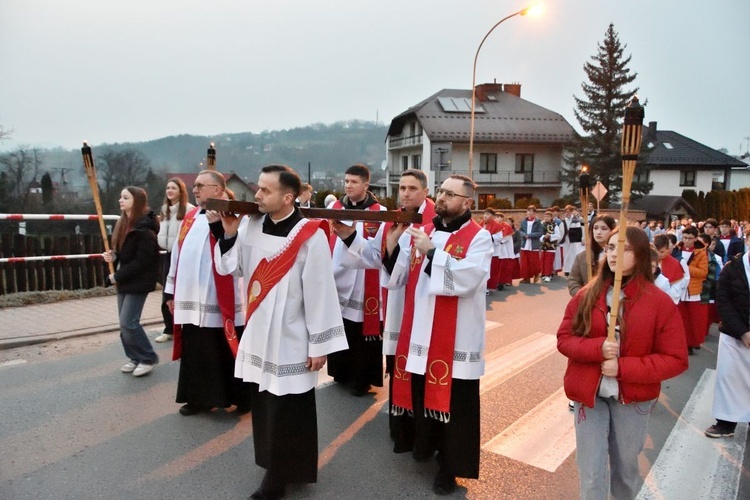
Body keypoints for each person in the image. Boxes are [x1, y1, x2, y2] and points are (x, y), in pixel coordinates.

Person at [216, 165, 347, 500]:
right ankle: (278, 466)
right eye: (257, 188)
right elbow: (233, 269)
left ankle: (278, 479)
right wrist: (229, 235)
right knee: (265, 406)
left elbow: (320, 292)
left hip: (292, 337)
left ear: (287, 197)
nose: (256, 195)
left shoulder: (310, 234)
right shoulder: (251, 225)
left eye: (265, 190)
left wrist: (320, 344)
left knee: (289, 410)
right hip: (260, 331)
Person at [557, 227, 688, 500]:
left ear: (640, 255)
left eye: (625, 248)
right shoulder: (587, 295)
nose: (615, 253)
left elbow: (675, 359)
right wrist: (596, 349)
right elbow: (565, 339)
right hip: (589, 396)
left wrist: (624, 368)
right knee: (591, 473)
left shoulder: (659, 302)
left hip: (633, 399)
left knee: (625, 472)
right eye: (612, 247)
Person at [383, 174, 492, 495]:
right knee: (422, 396)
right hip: (420, 333)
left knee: (454, 407)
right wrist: (393, 244)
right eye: (441, 191)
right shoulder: (424, 231)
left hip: (455, 340)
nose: (442, 198)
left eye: (450, 194)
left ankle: (450, 467)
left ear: (467, 203)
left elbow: (469, 279)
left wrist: (432, 252)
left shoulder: (479, 237)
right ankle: (424, 447)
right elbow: (398, 276)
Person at [331, 168, 435, 452]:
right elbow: (375, 258)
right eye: (402, 188)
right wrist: (349, 236)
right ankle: (402, 431)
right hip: (399, 306)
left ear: (426, 191)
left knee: (421, 374)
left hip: (425, 311)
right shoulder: (394, 221)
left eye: (412, 188)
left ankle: (425, 436)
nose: (405, 193)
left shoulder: (435, 223)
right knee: (399, 367)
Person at [164, 170, 251, 416]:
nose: (195, 189)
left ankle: (241, 398)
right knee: (198, 352)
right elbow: (177, 256)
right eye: (196, 185)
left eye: (201, 185)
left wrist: (218, 227)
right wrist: (170, 293)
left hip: (221, 297)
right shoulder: (191, 217)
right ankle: (199, 398)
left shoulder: (237, 215)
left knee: (226, 349)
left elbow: (236, 251)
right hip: (191, 298)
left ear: (218, 190)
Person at [327, 164, 386, 396]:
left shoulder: (378, 212)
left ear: (366, 185)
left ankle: (361, 379)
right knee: (341, 328)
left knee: (361, 332)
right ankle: (341, 373)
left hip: (364, 280)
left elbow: (377, 247)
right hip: (338, 276)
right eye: (346, 181)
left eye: (354, 182)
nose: (349, 185)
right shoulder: (335, 207)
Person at [103, 186, 161, 377]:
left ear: (136, 201)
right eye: (120, 197)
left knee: (129, 322)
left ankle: (147, 357)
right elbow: (125, 254)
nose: (121, 201)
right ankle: (134, 357)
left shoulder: (145, 229)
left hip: (138, 281)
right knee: (124, 323)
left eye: (125, 198)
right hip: (126, 280)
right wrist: (114, 257)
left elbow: (142, 261)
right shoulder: (124, 224)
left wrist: (117, 276)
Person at [706, 226, 750, 439]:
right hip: (734, 335)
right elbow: (723, 301)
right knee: (729, 379)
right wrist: (743, 331)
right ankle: (725, 423)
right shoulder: (732, 268)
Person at [155, 178, 194, 343]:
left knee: (182, 291)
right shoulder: (165, 210)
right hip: (168, 254)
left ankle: (185, 326)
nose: (170, 191)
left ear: (181, 191)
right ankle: (169, 328)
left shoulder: (188, 210)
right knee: (167, 291)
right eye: (168, 187)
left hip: (184, 255)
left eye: (173, 188)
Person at [678, 226, 709, 355]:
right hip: (678, 288)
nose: (687, 241)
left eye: (690, 238)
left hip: (692, 290)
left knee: (691, 320)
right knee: (679, 318)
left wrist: (686, 268)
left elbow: (703, 273)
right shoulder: (676, 249)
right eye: (685, 237)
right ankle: (678, 343)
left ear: (695, 238)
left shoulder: (701, 252)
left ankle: (690, 344)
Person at [567, 215, 616, 297]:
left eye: (604, 229)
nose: (598, 232)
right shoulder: (582, 257)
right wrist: (583, 296)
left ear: (612, 231)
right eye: (595, 228)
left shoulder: (618, 255)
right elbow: (573, 280)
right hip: (587, 300)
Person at [481, 208, 505, 292]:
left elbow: (499, 238)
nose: (485, 216)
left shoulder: (497, 226)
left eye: (488, 214)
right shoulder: (481, 224)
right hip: (482, 251)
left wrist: (488, 237)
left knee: (491, 269)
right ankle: (482, 286)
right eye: (484, 214)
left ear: (493, 216)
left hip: (492, 251)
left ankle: (488, 287)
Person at [518, 205, 543, 283]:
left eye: (531, 211)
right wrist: (524, 235)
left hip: (533, 244)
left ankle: (536, 274)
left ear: (534, 213)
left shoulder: (538, 222)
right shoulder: (523, 221)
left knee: (534, 261)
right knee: (524, 262)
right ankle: (526, 277)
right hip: (525, 244)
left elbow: (540, 233)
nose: (529, 213)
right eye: (528, 211)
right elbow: (520, 230)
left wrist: (530, 235)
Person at [558, 205, 585, 276]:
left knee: (572, 254)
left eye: (569, 212)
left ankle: (572, 269)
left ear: (571, 212)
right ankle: (566, 269)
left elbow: (583, 227)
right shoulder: (563, 221)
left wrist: (583, 238)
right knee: (566, 254)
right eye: (566, 212)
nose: (567, 213)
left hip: (574, 239)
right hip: (566, 239)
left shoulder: (576, 220)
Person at [539, 210, 559, 282]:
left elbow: (558, 235)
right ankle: (543, 273)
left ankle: (548, 274)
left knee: (549, 261)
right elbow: (539, 233)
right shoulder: (541, 224)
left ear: (551, 217)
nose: (546, 218)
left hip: (551, 246)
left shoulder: (554, 225)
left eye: (548, 216)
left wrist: (550, 236)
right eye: (545, 216)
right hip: (543, 244)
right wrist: (543, 237)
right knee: (543, 260)